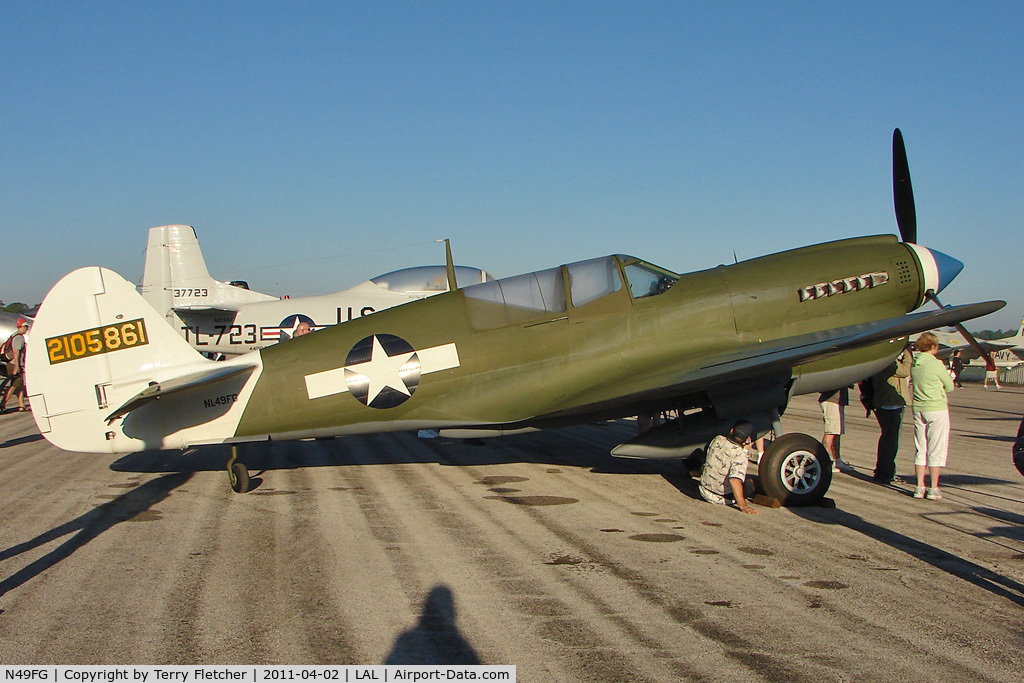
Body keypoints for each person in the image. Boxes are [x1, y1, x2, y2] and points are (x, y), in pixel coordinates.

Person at [910, 332, 954, 500]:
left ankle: (919, 486)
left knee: (921, 448)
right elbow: (949, 386)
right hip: (936, 407)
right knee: (936, 448)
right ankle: (933, 487)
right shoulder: (936, 364)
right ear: (933, 347)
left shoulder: (915, 364)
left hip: (918, 407)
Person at [869, 344, 913, 484]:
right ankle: (886, 472)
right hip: (891, 404)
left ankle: (883, 470)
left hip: (884, 403)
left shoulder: (879, 361)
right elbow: (905, 370)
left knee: (887, 439)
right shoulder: (888, 363)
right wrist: (907, 353)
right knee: (890, 441)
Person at [699, 420, 759, 514]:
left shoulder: (718, 439)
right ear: (747, 440)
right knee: (750, 484)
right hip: (720, 498)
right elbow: (734, 480)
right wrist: (743, 506)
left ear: (731, 431)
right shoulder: (740, 455)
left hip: (703, 490)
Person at [819, 388, 854, 473]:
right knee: (830, 433)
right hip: (831, 402)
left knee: (836, 433)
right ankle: (822, 462)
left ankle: (837, 460)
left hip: (836, 402)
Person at [1, 318, 30, 413]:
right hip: (15, 364)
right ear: (21, 327)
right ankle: (2, 405)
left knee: (20, 385)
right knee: (14, 386)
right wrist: (17, 366)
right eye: (25, 327)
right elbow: (16, 352)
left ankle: (21, 405)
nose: (26, 329)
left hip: (12, 364)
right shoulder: (19, 338)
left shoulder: (13, 335)